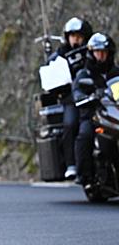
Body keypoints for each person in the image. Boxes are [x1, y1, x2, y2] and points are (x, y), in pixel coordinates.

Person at [46, 17, 93, 179]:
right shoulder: (61, 54)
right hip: (70, 98)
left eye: (79, 36)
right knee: (70, 123)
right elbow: (50, 71)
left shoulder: (92, 52)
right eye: (72, 36)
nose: (76, 40)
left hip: (93, 94)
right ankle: (71, 164)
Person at [72, 32, 118, 188]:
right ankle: (84, 174)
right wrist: (86, 97)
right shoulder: (84, 74)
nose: (101, 56)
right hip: (92, 115)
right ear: (91, 54)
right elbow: (77, 92)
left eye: (104, 52)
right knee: (85, 134)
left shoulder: (116, 73)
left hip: (113, 112)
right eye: (98, 52)